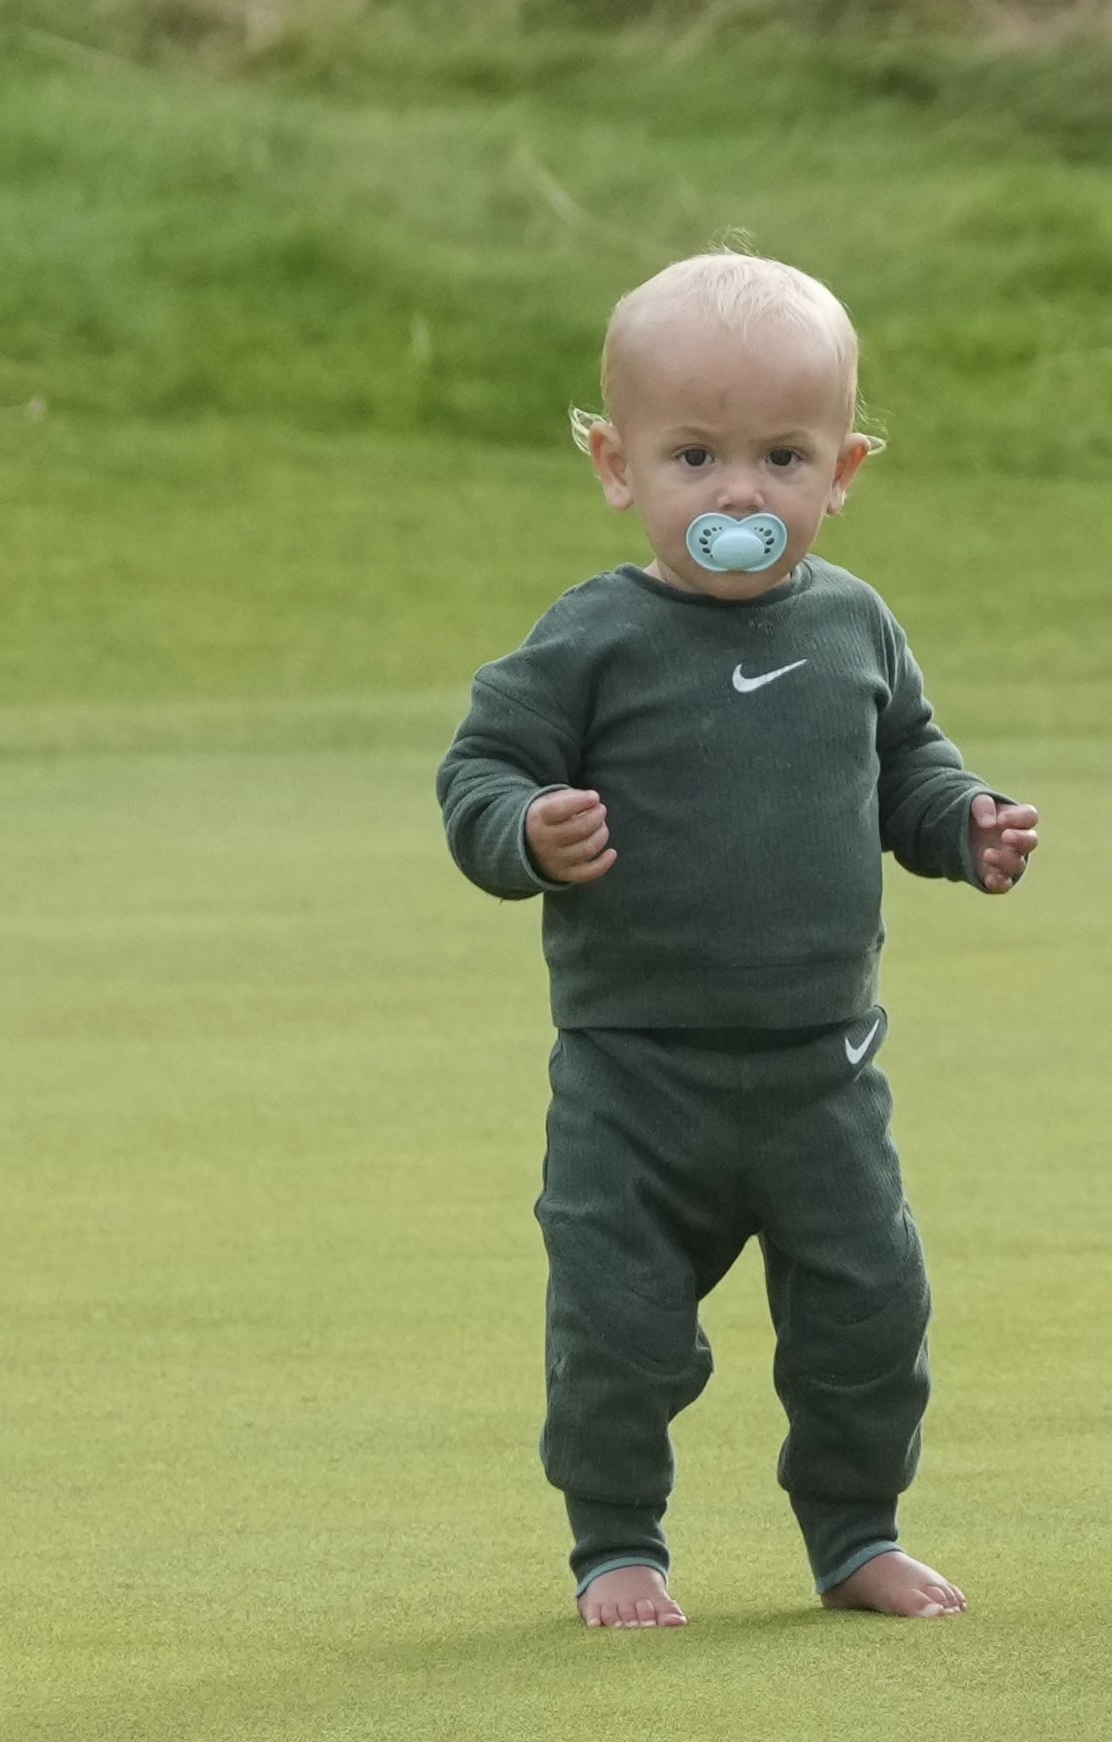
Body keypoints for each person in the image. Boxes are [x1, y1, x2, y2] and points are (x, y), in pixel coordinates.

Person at [435, 248, 1046, 1630]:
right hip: (634, 1082)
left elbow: (910, 770)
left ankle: (854, 1532)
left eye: (782, 458)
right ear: (615, 463)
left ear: (844, 473)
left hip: (822, 1075)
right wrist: (527, 829)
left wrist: (969, 829)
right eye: (694, 456)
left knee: (867, 1318)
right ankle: (618, 1545)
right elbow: (479, 771)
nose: (739, 497)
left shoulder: (853, 627)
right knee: (618, 1327)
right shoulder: (591, 640)